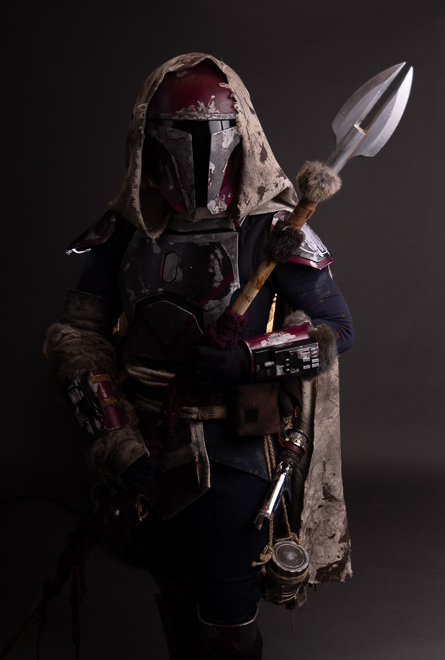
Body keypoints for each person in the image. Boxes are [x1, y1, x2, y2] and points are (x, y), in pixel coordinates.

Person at [44, 52, 354, 659]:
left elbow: (335, 329)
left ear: (239, 137)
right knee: (176, 593)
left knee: (228, 612)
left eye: (209, 135)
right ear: (148, 139)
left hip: (241, 454)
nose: (195, 154)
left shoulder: (273, 229)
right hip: (147, 447)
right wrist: (116, 437)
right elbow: (77, 338)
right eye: (177, 136)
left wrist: (249, 360)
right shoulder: (125, 230)